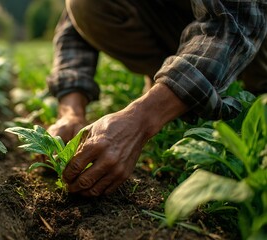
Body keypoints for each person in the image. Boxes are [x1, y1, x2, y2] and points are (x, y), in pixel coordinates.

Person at [46, 0, 267, 197]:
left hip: (255, 35)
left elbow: (239, 20)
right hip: (187, 20)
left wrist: (142, 118)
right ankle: (172, 88)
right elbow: (72, 24)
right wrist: (71, 111)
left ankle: (193, 94)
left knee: (256, 106)